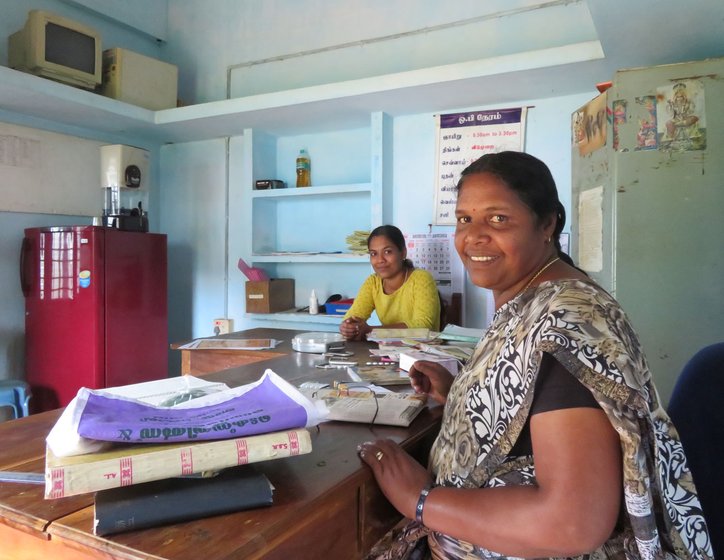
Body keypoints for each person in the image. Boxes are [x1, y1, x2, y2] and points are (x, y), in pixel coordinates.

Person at [358, 152, 711, 559]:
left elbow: (572, 523)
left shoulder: (564, 322)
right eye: (464, 219)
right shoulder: (533, 296)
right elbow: (531, 400)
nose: (473, 236)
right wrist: (459, 392)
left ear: (547, 225)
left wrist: (419, 500)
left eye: (498, 219)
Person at [340, 225, 440, 341]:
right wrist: (348, 326)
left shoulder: (421, 279)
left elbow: (423, 327)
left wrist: (371, 330)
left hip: (424, 354)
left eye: (387, 252)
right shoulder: (373, 282)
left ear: (403, 253)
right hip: (388, 352)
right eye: (373, 254)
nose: (380, 260)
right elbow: (352, 317)